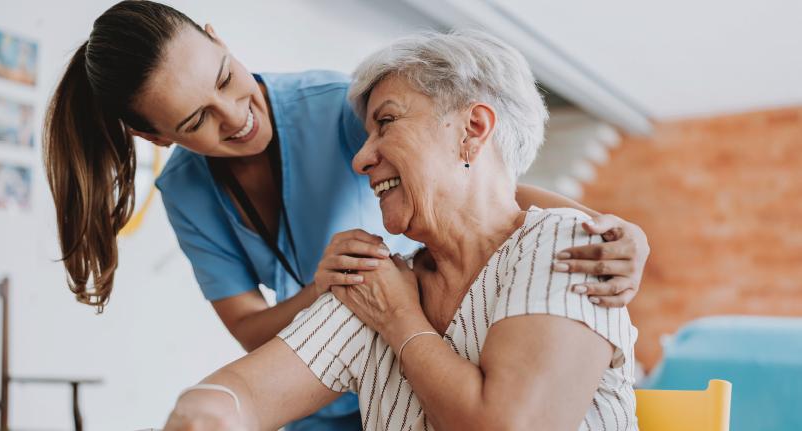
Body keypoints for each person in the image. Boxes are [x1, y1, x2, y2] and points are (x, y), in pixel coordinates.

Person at [42, 2, 648, 429]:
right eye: (196, 120)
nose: (234, 115)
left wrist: (609, 228)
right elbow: (248, 361)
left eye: (226, 79)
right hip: (335, 374)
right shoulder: (194, 196)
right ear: (157, 137)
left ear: (219, 39)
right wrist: (210, 406)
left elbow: (486, 189)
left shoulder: (338, 106)